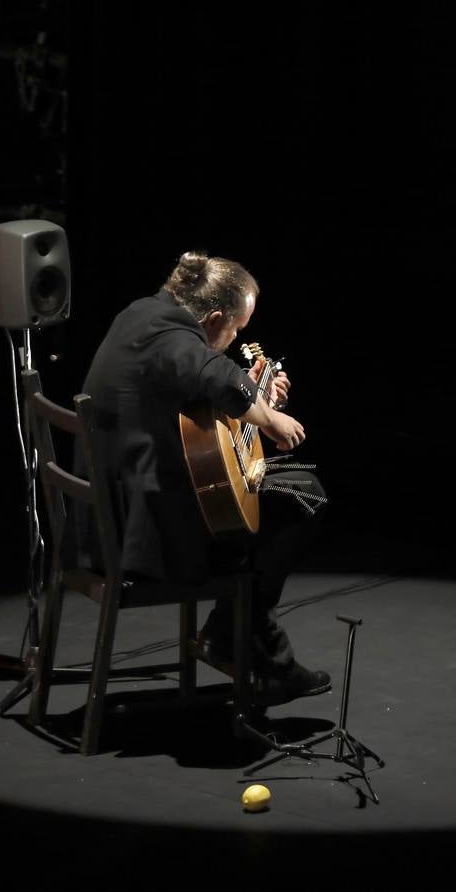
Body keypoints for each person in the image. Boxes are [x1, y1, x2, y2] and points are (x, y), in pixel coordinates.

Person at [78, 250, 331, 704]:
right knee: (301, 497)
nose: (235, 339)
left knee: (281, 495)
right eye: (235, 330)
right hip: (144, 536)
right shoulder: (173, 340)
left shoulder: (143, 313)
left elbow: (194, 393)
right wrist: (270, 419)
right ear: (213, 318)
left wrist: (251, 394)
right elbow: (209, 373)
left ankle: (243, 641)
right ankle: (241, 642)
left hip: (111, 517)